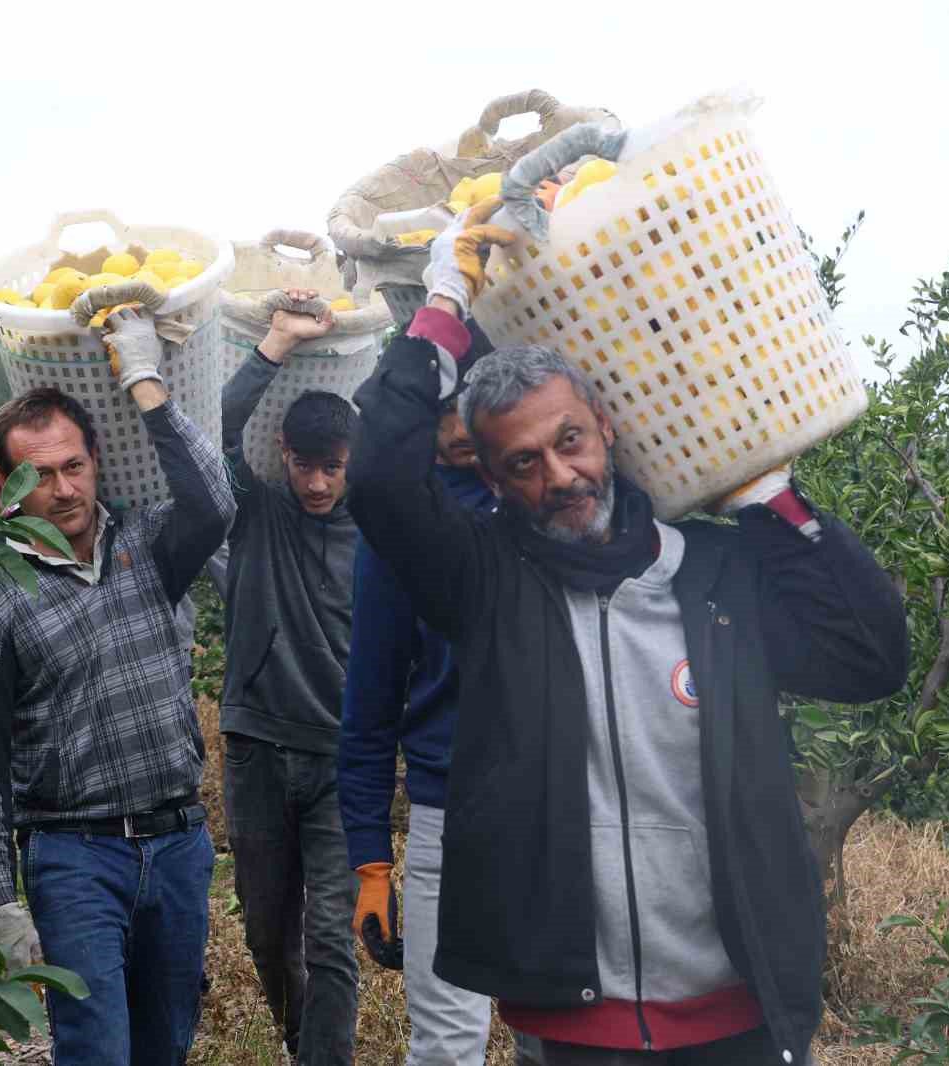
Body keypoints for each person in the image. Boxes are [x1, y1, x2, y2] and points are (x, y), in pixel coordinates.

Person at [343, 199, 909, 1066]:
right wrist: (447, 302)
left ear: (606, 428)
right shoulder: (490, 586)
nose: (560, 476)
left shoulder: (718, 578)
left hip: (738, 1005)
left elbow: (873, 656)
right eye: (525, 463)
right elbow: (379, 473)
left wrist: (769, 498)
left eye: (570, 441)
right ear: (492, 481)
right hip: (580, 1017)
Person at [0, 306, 235, 1066]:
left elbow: (216, 501)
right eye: (39, 476)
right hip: (73, 854)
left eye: (74, 466)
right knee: (96, 1052)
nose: (64, 489)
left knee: (164, 1047)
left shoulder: (149, 545)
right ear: (7, 485)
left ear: (97, 460)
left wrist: (145, 380)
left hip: (177, 845)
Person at [339, 382, 543, 1066]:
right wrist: (371, 860)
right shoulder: (400, 526)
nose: (455, 427)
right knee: (446, 1047)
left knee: (564, 1038)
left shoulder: (548, 503)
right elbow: (368, 703)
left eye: (470, 404)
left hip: (562, 809)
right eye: (439, 408)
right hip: (447, 818)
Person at [217, 290, 362, 1065]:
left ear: (351, 464)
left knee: (333, 938)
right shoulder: (256, 514)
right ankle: (302, 1042)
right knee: (265, 933)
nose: (316, 485)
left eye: (331, 469)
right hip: (257, 751)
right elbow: (215, 432)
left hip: (343, 762)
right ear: (284, 455)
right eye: (305, 466)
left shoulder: (378, 531)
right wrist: (274, 342)